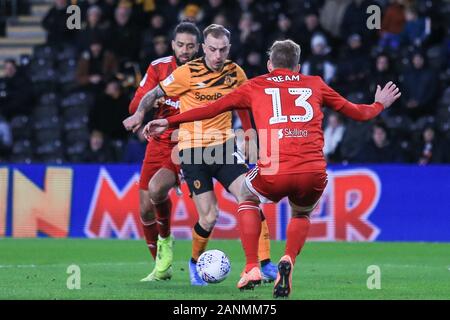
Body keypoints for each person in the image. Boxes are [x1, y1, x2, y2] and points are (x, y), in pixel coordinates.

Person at [143, 39, 401, 297]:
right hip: (313, 170)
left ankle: (252, 267)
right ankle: (287, 258)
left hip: (275, 169)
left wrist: (169, 121)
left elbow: (211, 109)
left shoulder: (255, 85)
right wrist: (379, 104)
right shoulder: (315, 84)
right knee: (301, 214)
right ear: (297, 67)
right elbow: (359, 112)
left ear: (269, 65)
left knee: (246, 195)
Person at [123, 24, 278, 286]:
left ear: (229, 48)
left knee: (250, 196)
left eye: (223, 49)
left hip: (225, 149)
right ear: (204, 48)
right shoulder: (186, 73)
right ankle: (195, 263)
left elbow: (244, 103)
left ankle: (262, 264)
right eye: (213, 49)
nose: (218, 55)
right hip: (193, 152)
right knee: (209, 216)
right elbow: (153, 93)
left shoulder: (235, 72)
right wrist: (139, 114)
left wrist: (250, 135)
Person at [124, 22, 201, 282]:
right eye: (180, 45)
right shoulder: (158, 67)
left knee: (158, 189)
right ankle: (161, 267)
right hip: (158, 141)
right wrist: (147, 104)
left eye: (190, 45)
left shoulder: (204, 71)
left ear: (198, 47)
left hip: (189, 141)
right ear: (173, 45)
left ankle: (168, 242)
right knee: (145, 209)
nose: (185, 50)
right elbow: (136, 104)